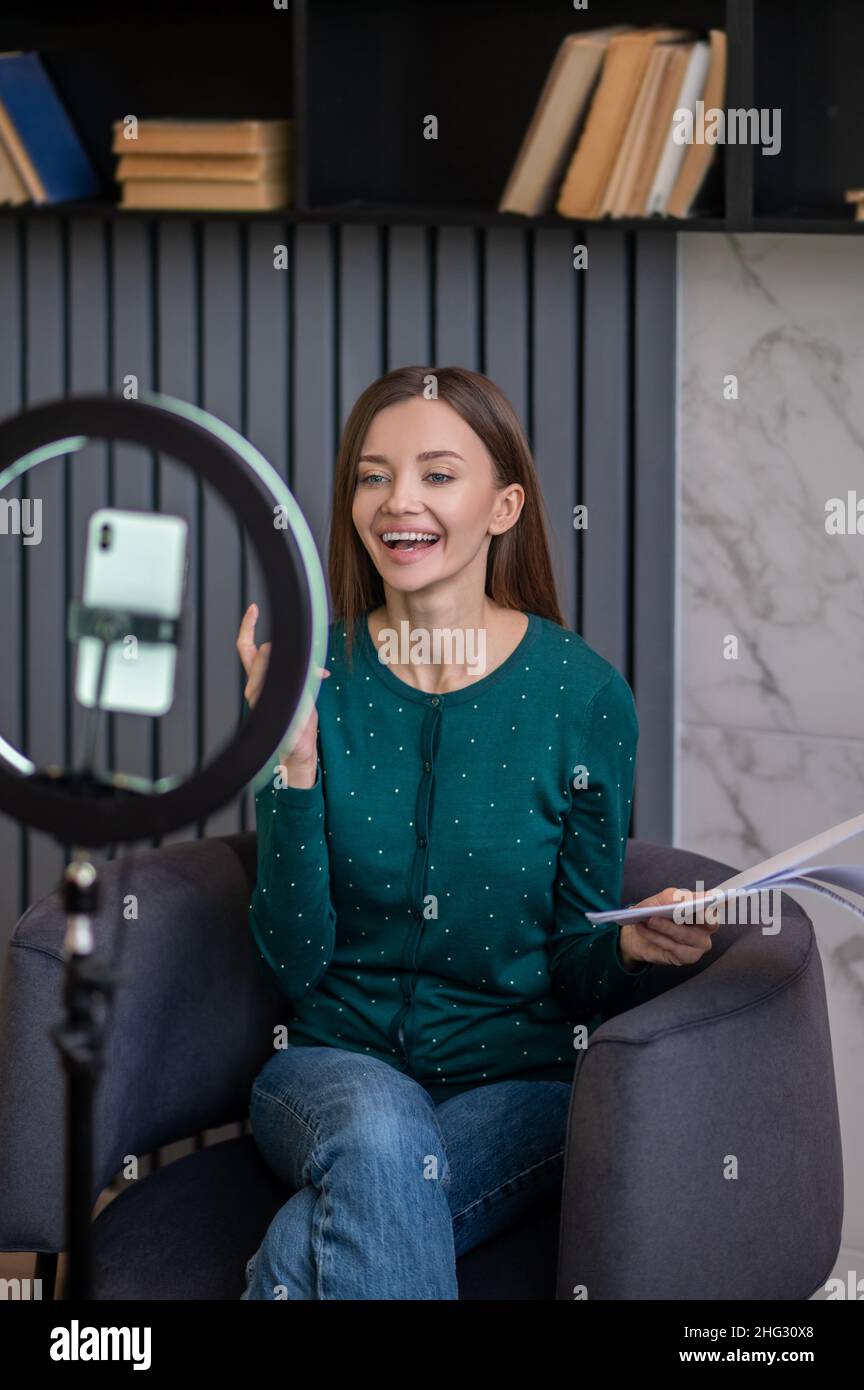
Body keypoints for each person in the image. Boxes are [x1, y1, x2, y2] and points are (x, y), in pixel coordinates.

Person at [235, 365, 718, 1300]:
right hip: (331, 1072)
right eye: (373, 476)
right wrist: (289, 766)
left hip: (523, 1092)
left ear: (504, 506)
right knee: (380, 1132)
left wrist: (625, 942)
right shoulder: (312, 672)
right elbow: (292, 965)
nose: (398, 501)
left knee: (306, 1249)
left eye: (437, 474)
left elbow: (577, 969)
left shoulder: (584, 697)